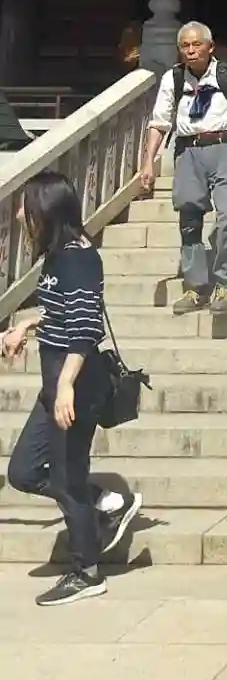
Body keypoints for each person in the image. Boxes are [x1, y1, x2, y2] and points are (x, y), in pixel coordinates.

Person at [2, 171, 144, 606]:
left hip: (76, 387)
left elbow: (85, 328)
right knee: (24, 472)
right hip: (58, 386)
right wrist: (27, 324)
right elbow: (63, 310)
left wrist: (65, 385)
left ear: (48, 208)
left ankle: (86, 571)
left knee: (66, 480)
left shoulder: (77, 258)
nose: (21, 214)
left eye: (27, 206)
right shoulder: (59, 254)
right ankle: (105, 503)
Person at [138, 22, 227, 313]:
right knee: (189, 219)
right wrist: (148, 162)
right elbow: (159, 122)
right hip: (188, 151)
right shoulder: (173, 78)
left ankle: (225, 284)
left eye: (196, 44)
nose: (191, 51)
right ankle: (195, 287)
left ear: (210, 46)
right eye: (185, 46)